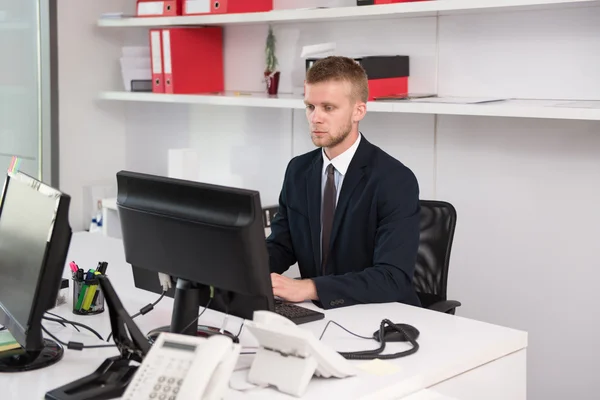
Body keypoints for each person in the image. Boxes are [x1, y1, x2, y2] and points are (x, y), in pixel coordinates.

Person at [267, 56, 421, 310]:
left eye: (328, 108)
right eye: (310, 107)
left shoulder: (394, 179)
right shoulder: (299, 170)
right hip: (321, 312)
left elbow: (393, 278)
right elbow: (283, 246)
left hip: (379, 314)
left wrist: (309, 287)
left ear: (358, 111)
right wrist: (240, 269)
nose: (315, 118)